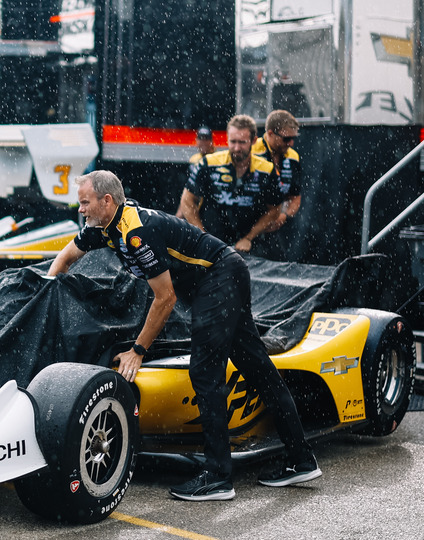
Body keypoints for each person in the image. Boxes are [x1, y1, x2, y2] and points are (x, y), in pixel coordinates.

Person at [47, 170, 321, 501]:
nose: (80, 209)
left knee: (206, 373)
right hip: (217, 279)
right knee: (259, 369)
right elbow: (65, 257)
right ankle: (301, 459)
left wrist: (138, 350)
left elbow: (165, 299)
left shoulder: (136, 232)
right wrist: (49, 293)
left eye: (85, 202)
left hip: (220, 276)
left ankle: (219, 477)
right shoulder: (105, 227)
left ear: (107, 201)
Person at [179, 115, 282, 252]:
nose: (237, 148)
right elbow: (186, 200)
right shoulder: (208, 164)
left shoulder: (267, 170)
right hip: (211, 243)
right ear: (227, 139)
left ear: (253, 141)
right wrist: (202, 236)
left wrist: (249, 237)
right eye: (233, 142)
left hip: (250, 246)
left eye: (242, 142)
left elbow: (275, 208)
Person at [252, 110, 302, 233]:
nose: (291, 143)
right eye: (286, 139)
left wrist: (284, 216)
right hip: (249, 223)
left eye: (293, 138)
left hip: (278, 226)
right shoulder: (252, 151)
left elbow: (295, 196)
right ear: (270, 133)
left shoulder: (293, 157)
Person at [175, 126, 217, 218]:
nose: (203, 142)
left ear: (211, 142)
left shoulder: (216, 160)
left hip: (211, 208)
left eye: (206, 139)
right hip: (195, 203)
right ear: (196, 141)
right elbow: (188, 187)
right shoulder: (194, 160)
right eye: (201, 139)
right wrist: (181, 211)